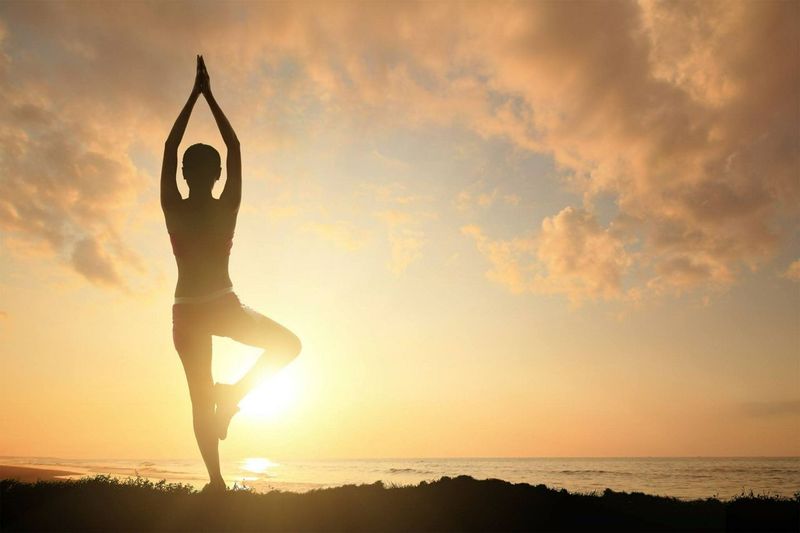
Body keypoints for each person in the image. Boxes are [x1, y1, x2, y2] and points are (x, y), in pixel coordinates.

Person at [161, 55, 301, 492]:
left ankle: (216, 482)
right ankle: (235, 396)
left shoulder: (174, 207)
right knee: (289, 346)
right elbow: (235, 148)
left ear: (184, 174)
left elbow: (169, 148)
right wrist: (208, 94)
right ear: (218, 174)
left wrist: (193, 96)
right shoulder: (226, 207)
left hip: (188, 312)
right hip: (221, 306)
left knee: (199, 400)